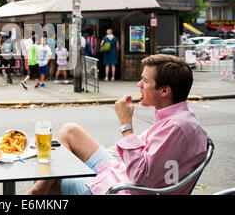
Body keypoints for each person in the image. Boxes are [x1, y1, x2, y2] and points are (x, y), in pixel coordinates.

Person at [26, 54, 208, 195]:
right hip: (120, 171)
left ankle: (37, 190)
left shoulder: (176, 128)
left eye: (145, 81)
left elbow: (139, 174)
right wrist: (100, 153)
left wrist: (125, 123)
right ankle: (38, 190)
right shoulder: (178, 117)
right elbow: (144, 151)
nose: (139, 85)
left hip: (122, 187)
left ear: (164, 90)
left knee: (50, 181)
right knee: (70, 131)